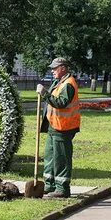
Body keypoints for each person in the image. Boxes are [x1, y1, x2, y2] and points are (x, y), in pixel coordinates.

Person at [35, 57, 80, 199]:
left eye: (55, 68)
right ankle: (50, 185)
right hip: (53, 126)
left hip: (63, 128)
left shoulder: (68, 84)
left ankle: (62, 189)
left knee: (61, 158)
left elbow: (60, 103)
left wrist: (44, 94)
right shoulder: (59, 82)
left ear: (63, 68)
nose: (52, 70)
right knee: (50, 156)